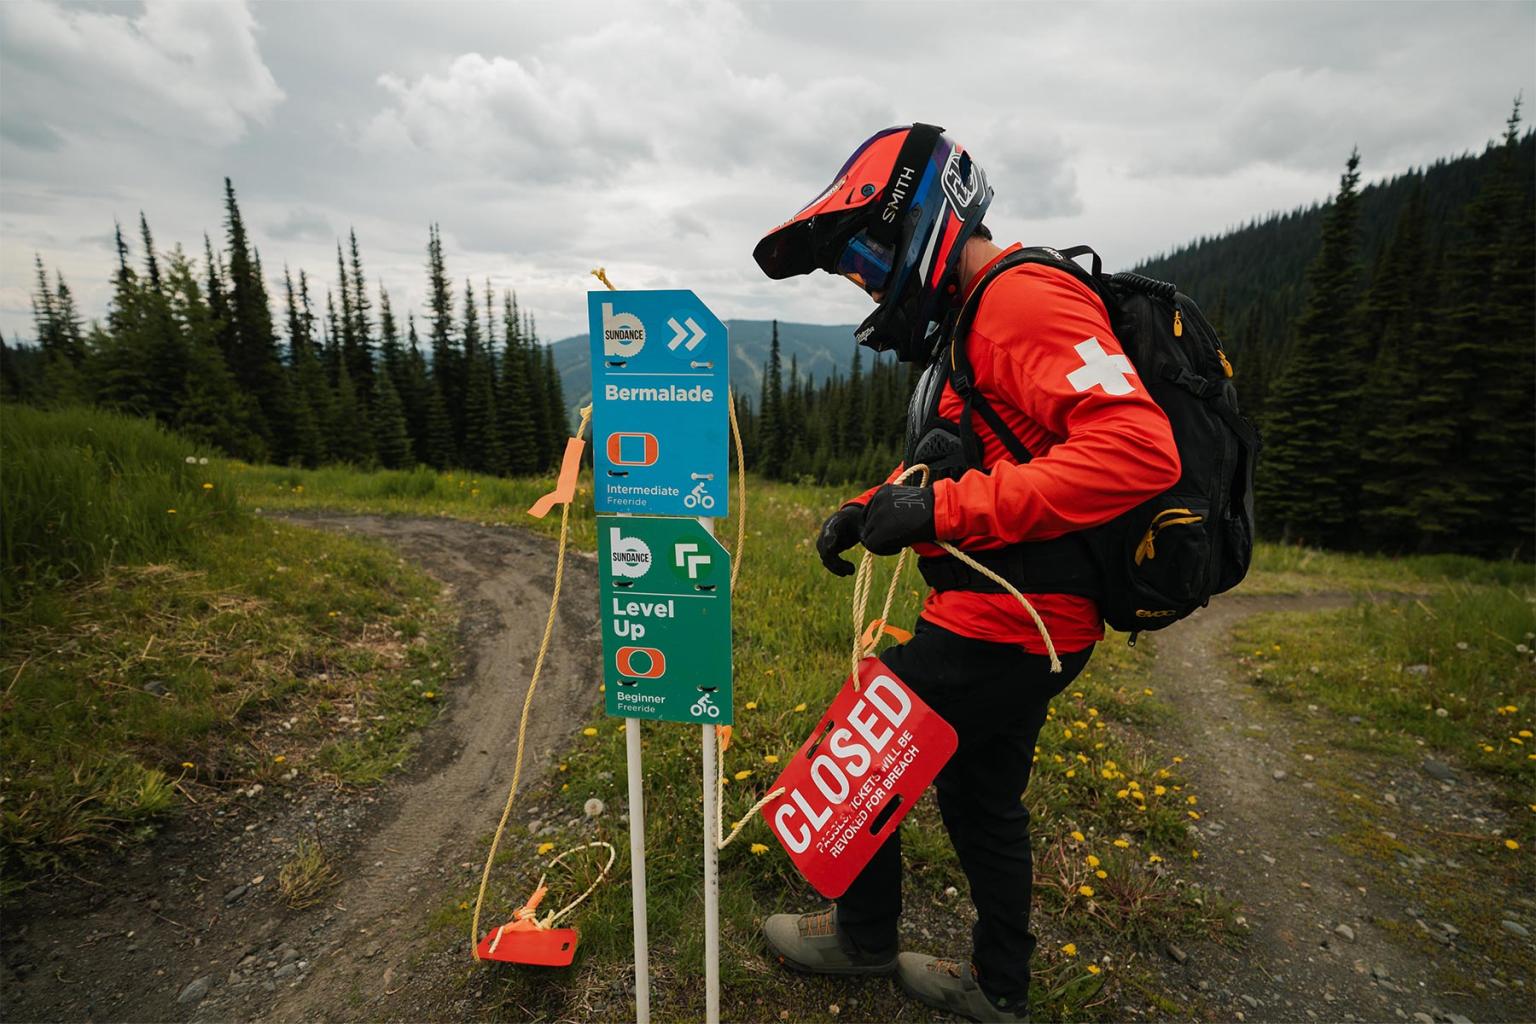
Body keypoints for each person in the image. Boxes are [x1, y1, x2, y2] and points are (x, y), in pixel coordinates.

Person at [750, 123, 1181, 1022]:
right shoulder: (975, 313)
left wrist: (944, 514)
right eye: (852, 268)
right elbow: (965, 458)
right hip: (1021, 621)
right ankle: (1000, 990)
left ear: (926, 214)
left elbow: (1140, 452)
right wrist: (873, 508)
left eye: (867, 253)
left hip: (1009, 621)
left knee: (854, 754)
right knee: (981, 796)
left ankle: (864, 939)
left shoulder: (1021, 300)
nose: (866, 277)